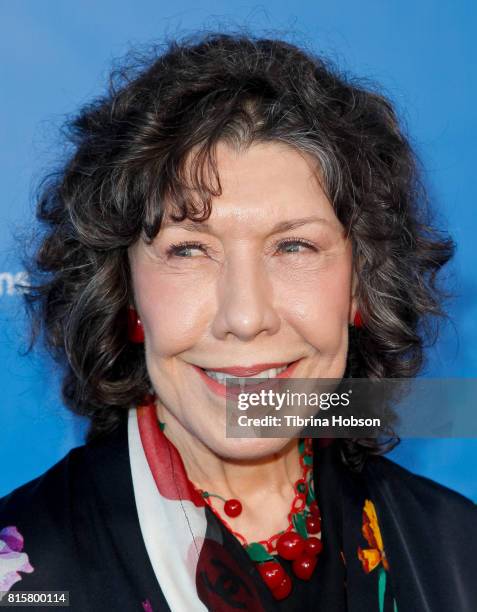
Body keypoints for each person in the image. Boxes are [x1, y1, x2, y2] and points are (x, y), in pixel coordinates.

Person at [0, 32, 475, 612]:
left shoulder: (457, 550)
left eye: (295, 247)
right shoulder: (22, 580)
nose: (245, 318)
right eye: (189, 250)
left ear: (361, 286)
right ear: (125, 294)